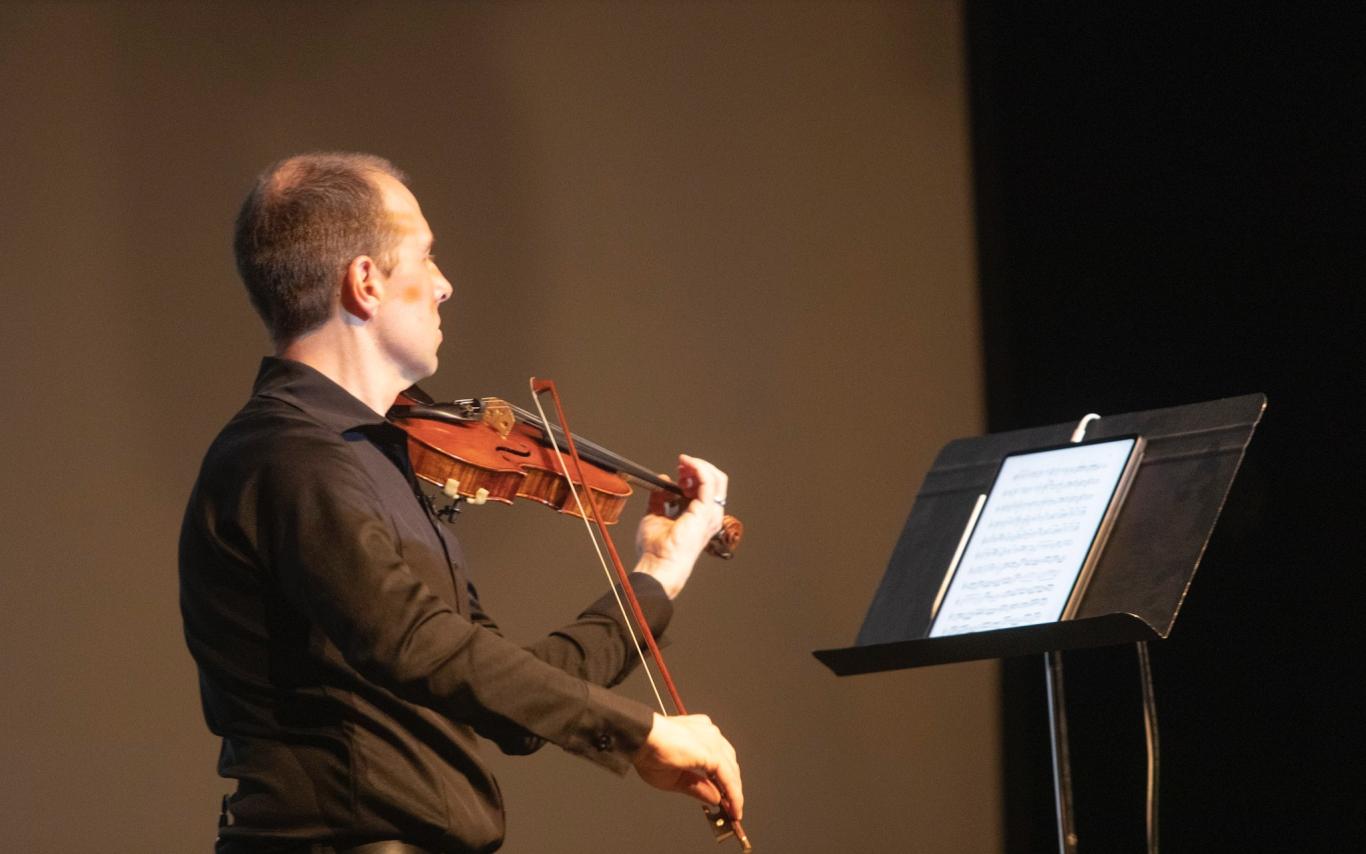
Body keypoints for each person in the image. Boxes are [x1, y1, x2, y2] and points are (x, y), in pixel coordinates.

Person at [180, 152, 743, 854]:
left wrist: (660, 574)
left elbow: (507, 693)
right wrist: (642, 734)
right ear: (365, 283)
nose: (445, 286)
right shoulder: (286, 455)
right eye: (426, 257)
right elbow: (420, 644)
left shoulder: (370, 460)